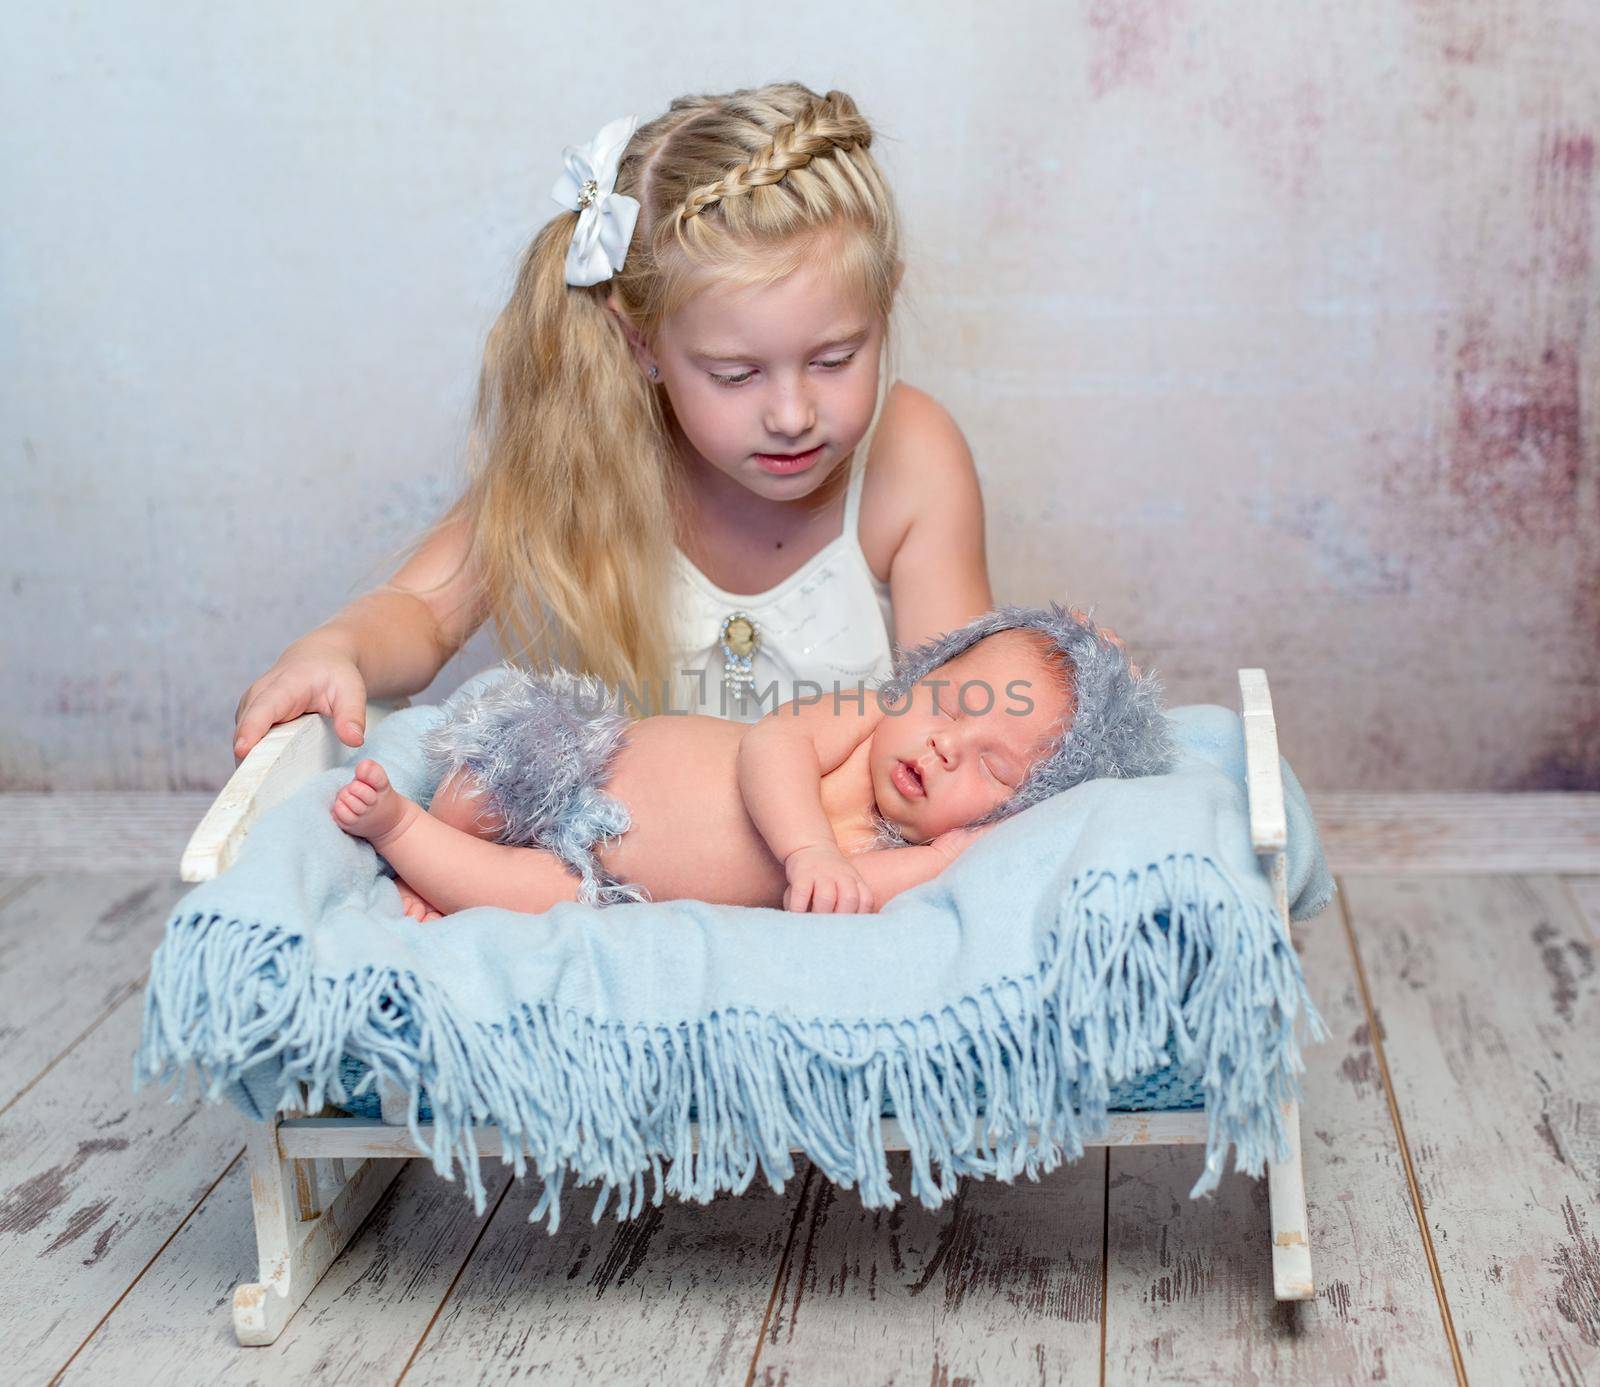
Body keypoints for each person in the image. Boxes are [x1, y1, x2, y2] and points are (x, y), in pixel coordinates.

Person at [233, 83, 1003, 779]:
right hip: (638, 867)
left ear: (884, 308)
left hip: (841, 857)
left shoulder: (910, 457)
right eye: (736, 375)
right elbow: (425, 611)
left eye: (835, 358)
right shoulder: (590, 444)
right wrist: (340, 647)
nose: (793, 413)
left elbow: (958, 712)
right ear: (642, 342)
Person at [328, 604, 1175, 918]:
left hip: (606, 880)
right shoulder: (863, 719)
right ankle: (438, 827)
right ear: (922, 675)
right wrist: (807, 848)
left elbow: (881, 890)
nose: (949, 744)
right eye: (950, 704)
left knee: (529, 898)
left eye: (992, 771)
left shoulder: (914, 855)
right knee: (493, 777)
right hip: (586, 762)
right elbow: (771, 748)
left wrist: (948, 856)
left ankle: (408, 840)